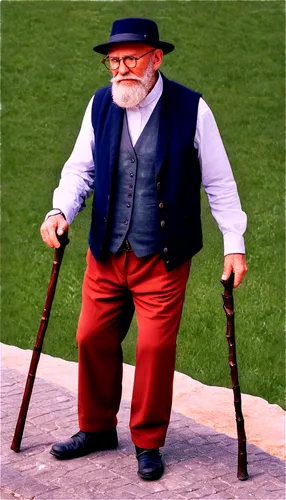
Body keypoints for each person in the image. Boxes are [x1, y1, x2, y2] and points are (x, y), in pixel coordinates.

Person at [40, 18, 248, 481]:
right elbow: (80, 170)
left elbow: (219, 182)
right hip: (106, 253)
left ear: (156, 59)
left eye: (131, 59)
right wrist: (59, 211)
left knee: (154, 347)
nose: (120, 70)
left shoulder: (193, 109)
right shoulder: (100, 104)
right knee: (90, 337)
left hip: (164, 257)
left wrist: (233, 245)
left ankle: (148, 441)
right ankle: (96, 429)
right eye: (114, 61)